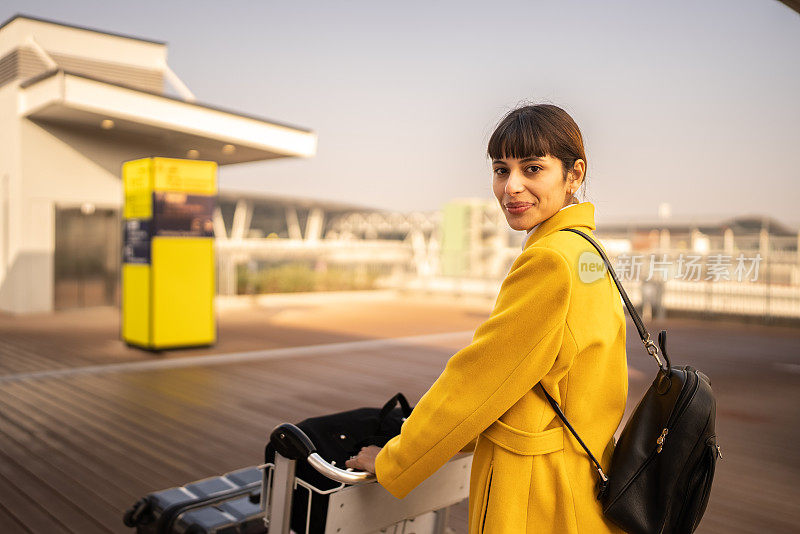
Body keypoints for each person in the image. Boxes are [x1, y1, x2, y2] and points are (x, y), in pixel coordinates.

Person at [346, 104, 628, 534]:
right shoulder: (587, 252)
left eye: (532, 168)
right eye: (501, 169)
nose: (511, 186)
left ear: (574, 175)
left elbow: (476, 380)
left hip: (537, 496)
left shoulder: (550, 262)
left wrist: (393, 459)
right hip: (583, 480)